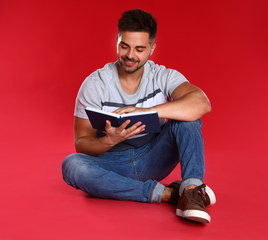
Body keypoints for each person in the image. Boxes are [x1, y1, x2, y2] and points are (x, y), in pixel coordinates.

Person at [62, 8, 216, 223]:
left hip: (154, 156)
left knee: (188, 121)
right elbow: (82, 143)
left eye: (139, 49)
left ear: (152, 49)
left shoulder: (163, 76)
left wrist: (146, 112)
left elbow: (201, 103)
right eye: (124, 46)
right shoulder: (95, 84)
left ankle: (191, 187)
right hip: (114, 163)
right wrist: (109, 140)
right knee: (72, 165)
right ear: (117, 41)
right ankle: (172, 195)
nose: (130, 55)